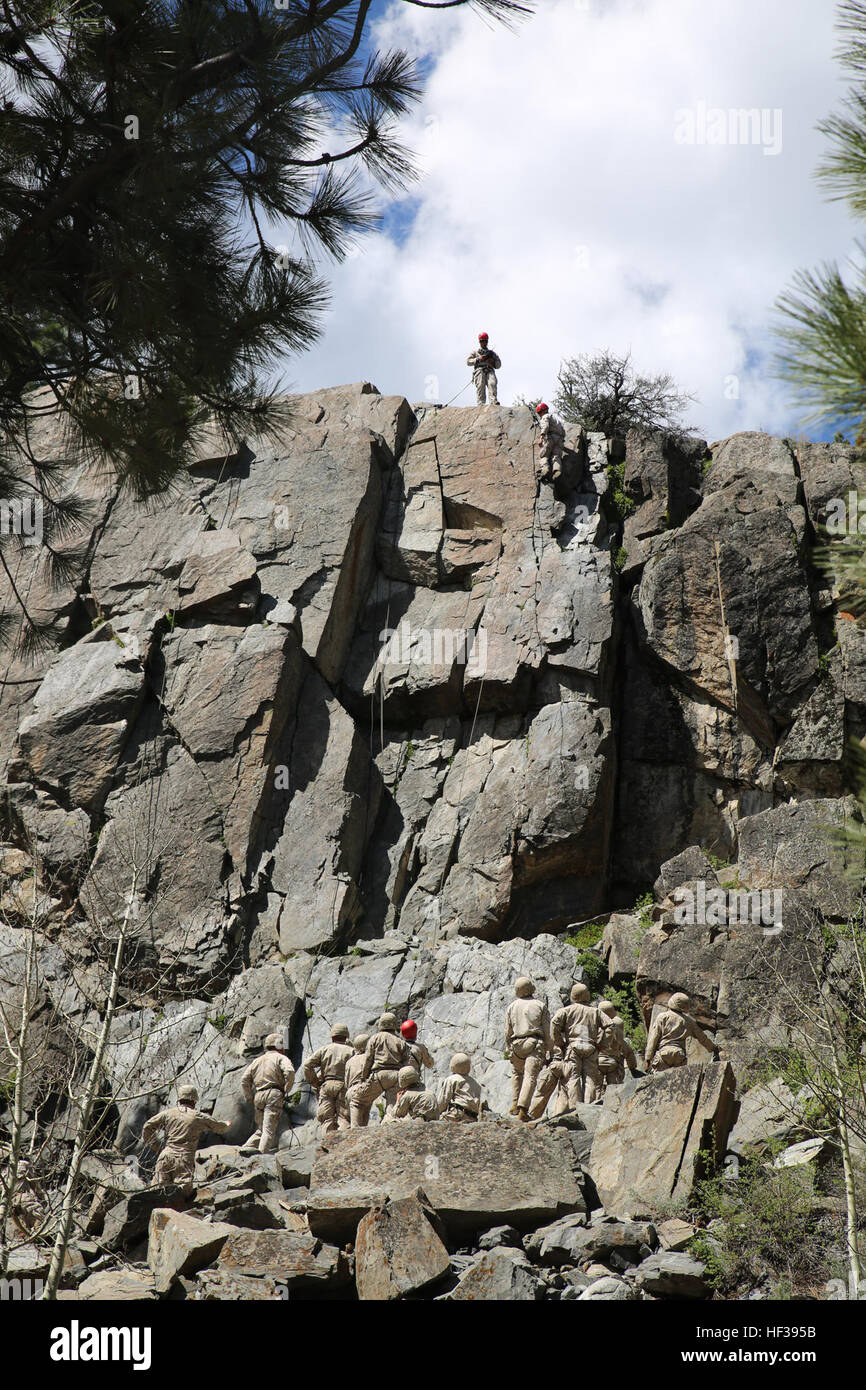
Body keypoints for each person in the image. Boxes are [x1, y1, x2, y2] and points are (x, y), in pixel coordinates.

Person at [141, 1085, 229, 1192]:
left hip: (165, 1156)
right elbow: (220, 1128)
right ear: (194, 1101)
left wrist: (156, 1147)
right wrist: (227, 1124)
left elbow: (147, 1127)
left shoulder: (167, 1114)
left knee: (157, 1192)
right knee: (181, 1194)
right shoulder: (197, 1116)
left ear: (179, 1100)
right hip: (183, 1159)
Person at [504, 977, 553, 1121]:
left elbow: (507, 1030)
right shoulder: (539, 1005)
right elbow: (548, 1031)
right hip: (533, 1043)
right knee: (530, 1076)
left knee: (517, 1073)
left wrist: (508, 1048)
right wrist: (551, 1050)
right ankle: (523, 1110)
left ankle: (514, 1103)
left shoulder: (512, 1006)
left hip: (516, 1044)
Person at [239, 1033, 295, 1153]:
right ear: (279, 1046)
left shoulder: (257, 1061)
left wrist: (249, 1097)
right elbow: (289, 1071)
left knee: (261, 1129)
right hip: (273, 1094)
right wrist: (287, 1088)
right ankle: (260, 1158)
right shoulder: (281, 1058)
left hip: (258, 1096)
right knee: (269, 1131)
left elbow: (244, 1079)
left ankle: (244, 1149)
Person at [355, 1013, 412, 1121]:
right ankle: (389, 1124)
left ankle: (354, 1129)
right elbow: (406, 1062)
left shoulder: (375, 1038)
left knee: (358, 1101)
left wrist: (363, 1077)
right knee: (391, 1107)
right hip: (395, 1076)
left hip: (378, 1075)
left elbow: (368, 1059)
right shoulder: (400, 1041)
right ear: (394, 1024)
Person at [644, 993, 719, 1073]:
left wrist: (648, 1059)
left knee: (659, 1082)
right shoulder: (689, 1021)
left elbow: (653, 1038)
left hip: (663, 1054)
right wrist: (714, 1048)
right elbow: (702, 1038)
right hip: (680, 1056)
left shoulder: (662, 1017)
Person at [303, 1023, 354, 1134]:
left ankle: (326, 1146)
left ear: (332, 1036)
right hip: (343, 1085)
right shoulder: (351, 1051)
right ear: (346, 1036)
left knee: (326, 1119)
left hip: (326, 1085)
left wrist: (314, 1081)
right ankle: (342, 1146)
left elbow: (307, 1065)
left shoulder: (324, 1049)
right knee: (343, 1118)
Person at [596, 999, 638, 1095]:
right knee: (614, 1089)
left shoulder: (596, 1029)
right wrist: (632, 1067)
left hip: (597, 1062)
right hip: (613, 1064)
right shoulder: (617, 1033)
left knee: (596, 1088)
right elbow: (629, 1053)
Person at [438, 1053, 483, 1122]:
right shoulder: (475, 1083)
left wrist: (435, 1113)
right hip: (472, 1117)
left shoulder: (452, 1079)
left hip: (456, 1114)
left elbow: (443, 1101)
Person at [467, 331, 501, 405]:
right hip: (479, 370)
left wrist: (493, 362)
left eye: (485, 341)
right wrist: (478, 359)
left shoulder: (492, 353)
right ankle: (481, 403)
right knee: (480, 385)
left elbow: (499, 365)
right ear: (479, 342)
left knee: (492, 383)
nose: (484, 342)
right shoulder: (475, 352)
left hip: (490, 370)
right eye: (482, 341)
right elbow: (468, 361)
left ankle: (493, 401)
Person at [345, 1033, 371, 1127]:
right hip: (363, 1089)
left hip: (350, 1092)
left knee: (354, 1124)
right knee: (361, 1126)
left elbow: (346, 1081)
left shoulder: (349, 1061)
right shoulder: (368, 1058)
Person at [535, 402, 566, 482]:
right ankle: (556, 470)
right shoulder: (556, 420)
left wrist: (541, 438)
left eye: (539, 412)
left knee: (544, 455)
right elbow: (563, 431)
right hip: (559, 439)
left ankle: (545, 470)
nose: (539, 414)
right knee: (556, 456)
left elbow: (545, 426)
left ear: (542, 411)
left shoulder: (545, 417)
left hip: (550, 438)